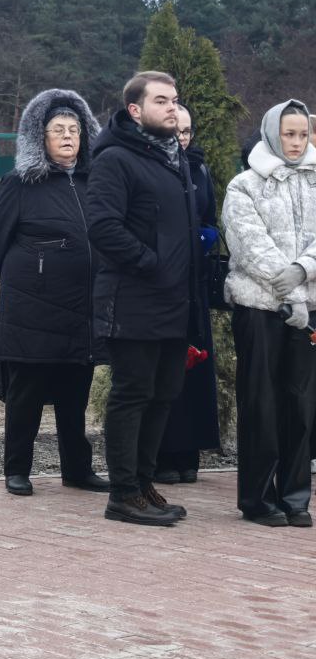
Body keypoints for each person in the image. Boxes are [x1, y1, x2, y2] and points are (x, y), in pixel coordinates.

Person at [86, 71, 198, 527]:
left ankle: (144, 484)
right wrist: (151, 263)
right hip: (132, 298)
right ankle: (123, 494)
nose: (173, 108)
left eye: (175, 100)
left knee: (163, 394)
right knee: (133, 394)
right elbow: (103, 227)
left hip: (174, 300)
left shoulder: (173, 158)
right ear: (135, 110)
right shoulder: (115, 158)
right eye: (161, 101)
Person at [0, 89, 110, 497]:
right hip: (32, 308)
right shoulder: (20, 183)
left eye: (74, 129)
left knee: (75, 393)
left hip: (83, 306)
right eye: (58, 129)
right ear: (40, 137)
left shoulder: (95, 182)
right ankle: (17, 469)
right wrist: (30, 276)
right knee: (27, 392)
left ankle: (77, 469)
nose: (68, 136)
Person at [220, 99, 316, 527]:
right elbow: (249, 244)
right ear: (271, 132)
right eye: (288, 133)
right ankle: (258, 499)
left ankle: (295, 497)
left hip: (309, 308)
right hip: (259, 306)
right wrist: (290, 289)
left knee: (301, 404)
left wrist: (304, 269)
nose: (295, 142)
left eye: (302, 134)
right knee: (261, 402)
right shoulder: (244, 185)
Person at [153, 105, 221, 484]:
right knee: (164, 369)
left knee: (194, 367)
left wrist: (204, 237)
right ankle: (162, 454)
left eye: (187, 131)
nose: (181, 138)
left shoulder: (199, 168)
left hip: (194, 283)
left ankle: (189, 452)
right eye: (175, 130)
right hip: (160, 283)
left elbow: (210, 218)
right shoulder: (147, 168)